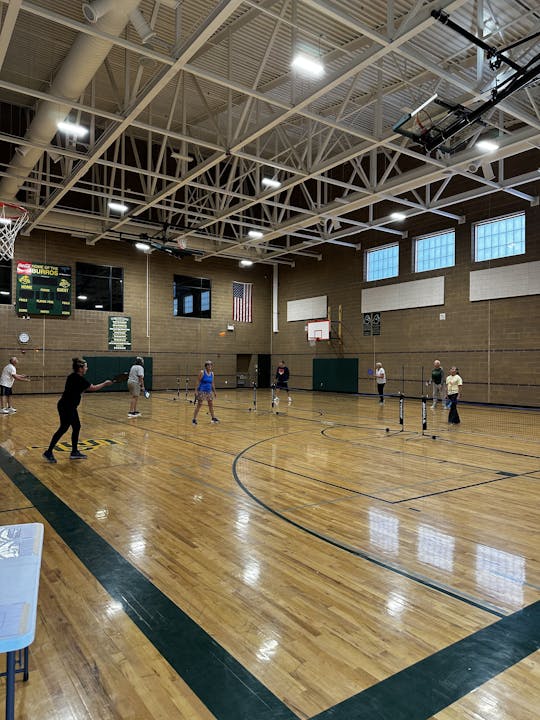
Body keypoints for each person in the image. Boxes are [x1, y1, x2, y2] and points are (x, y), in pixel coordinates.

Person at [43, 357, 112, 463]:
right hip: (67, 407)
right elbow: (92, 388)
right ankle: (48, 452)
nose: (87, 368)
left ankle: (74, 452)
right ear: (80, 368)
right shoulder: (79, 379)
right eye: (85, 367)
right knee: (63, 428)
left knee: (76, 426)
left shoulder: (73, 376)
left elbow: (84, 388)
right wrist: (105, 384)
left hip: (68, 406)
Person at [192, 360, 219, 424]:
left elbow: (212, 383)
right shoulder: (202, 372)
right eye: (208, 365)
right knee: (199, 404)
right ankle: (194, 419)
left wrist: (214, 392)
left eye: (211, 365)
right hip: (202, 391)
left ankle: (213, 418)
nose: (210, 366)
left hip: (209, 391)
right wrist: (195, 390)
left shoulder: (212, 373)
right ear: (206, 366)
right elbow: (198, 381)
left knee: (210, 404)